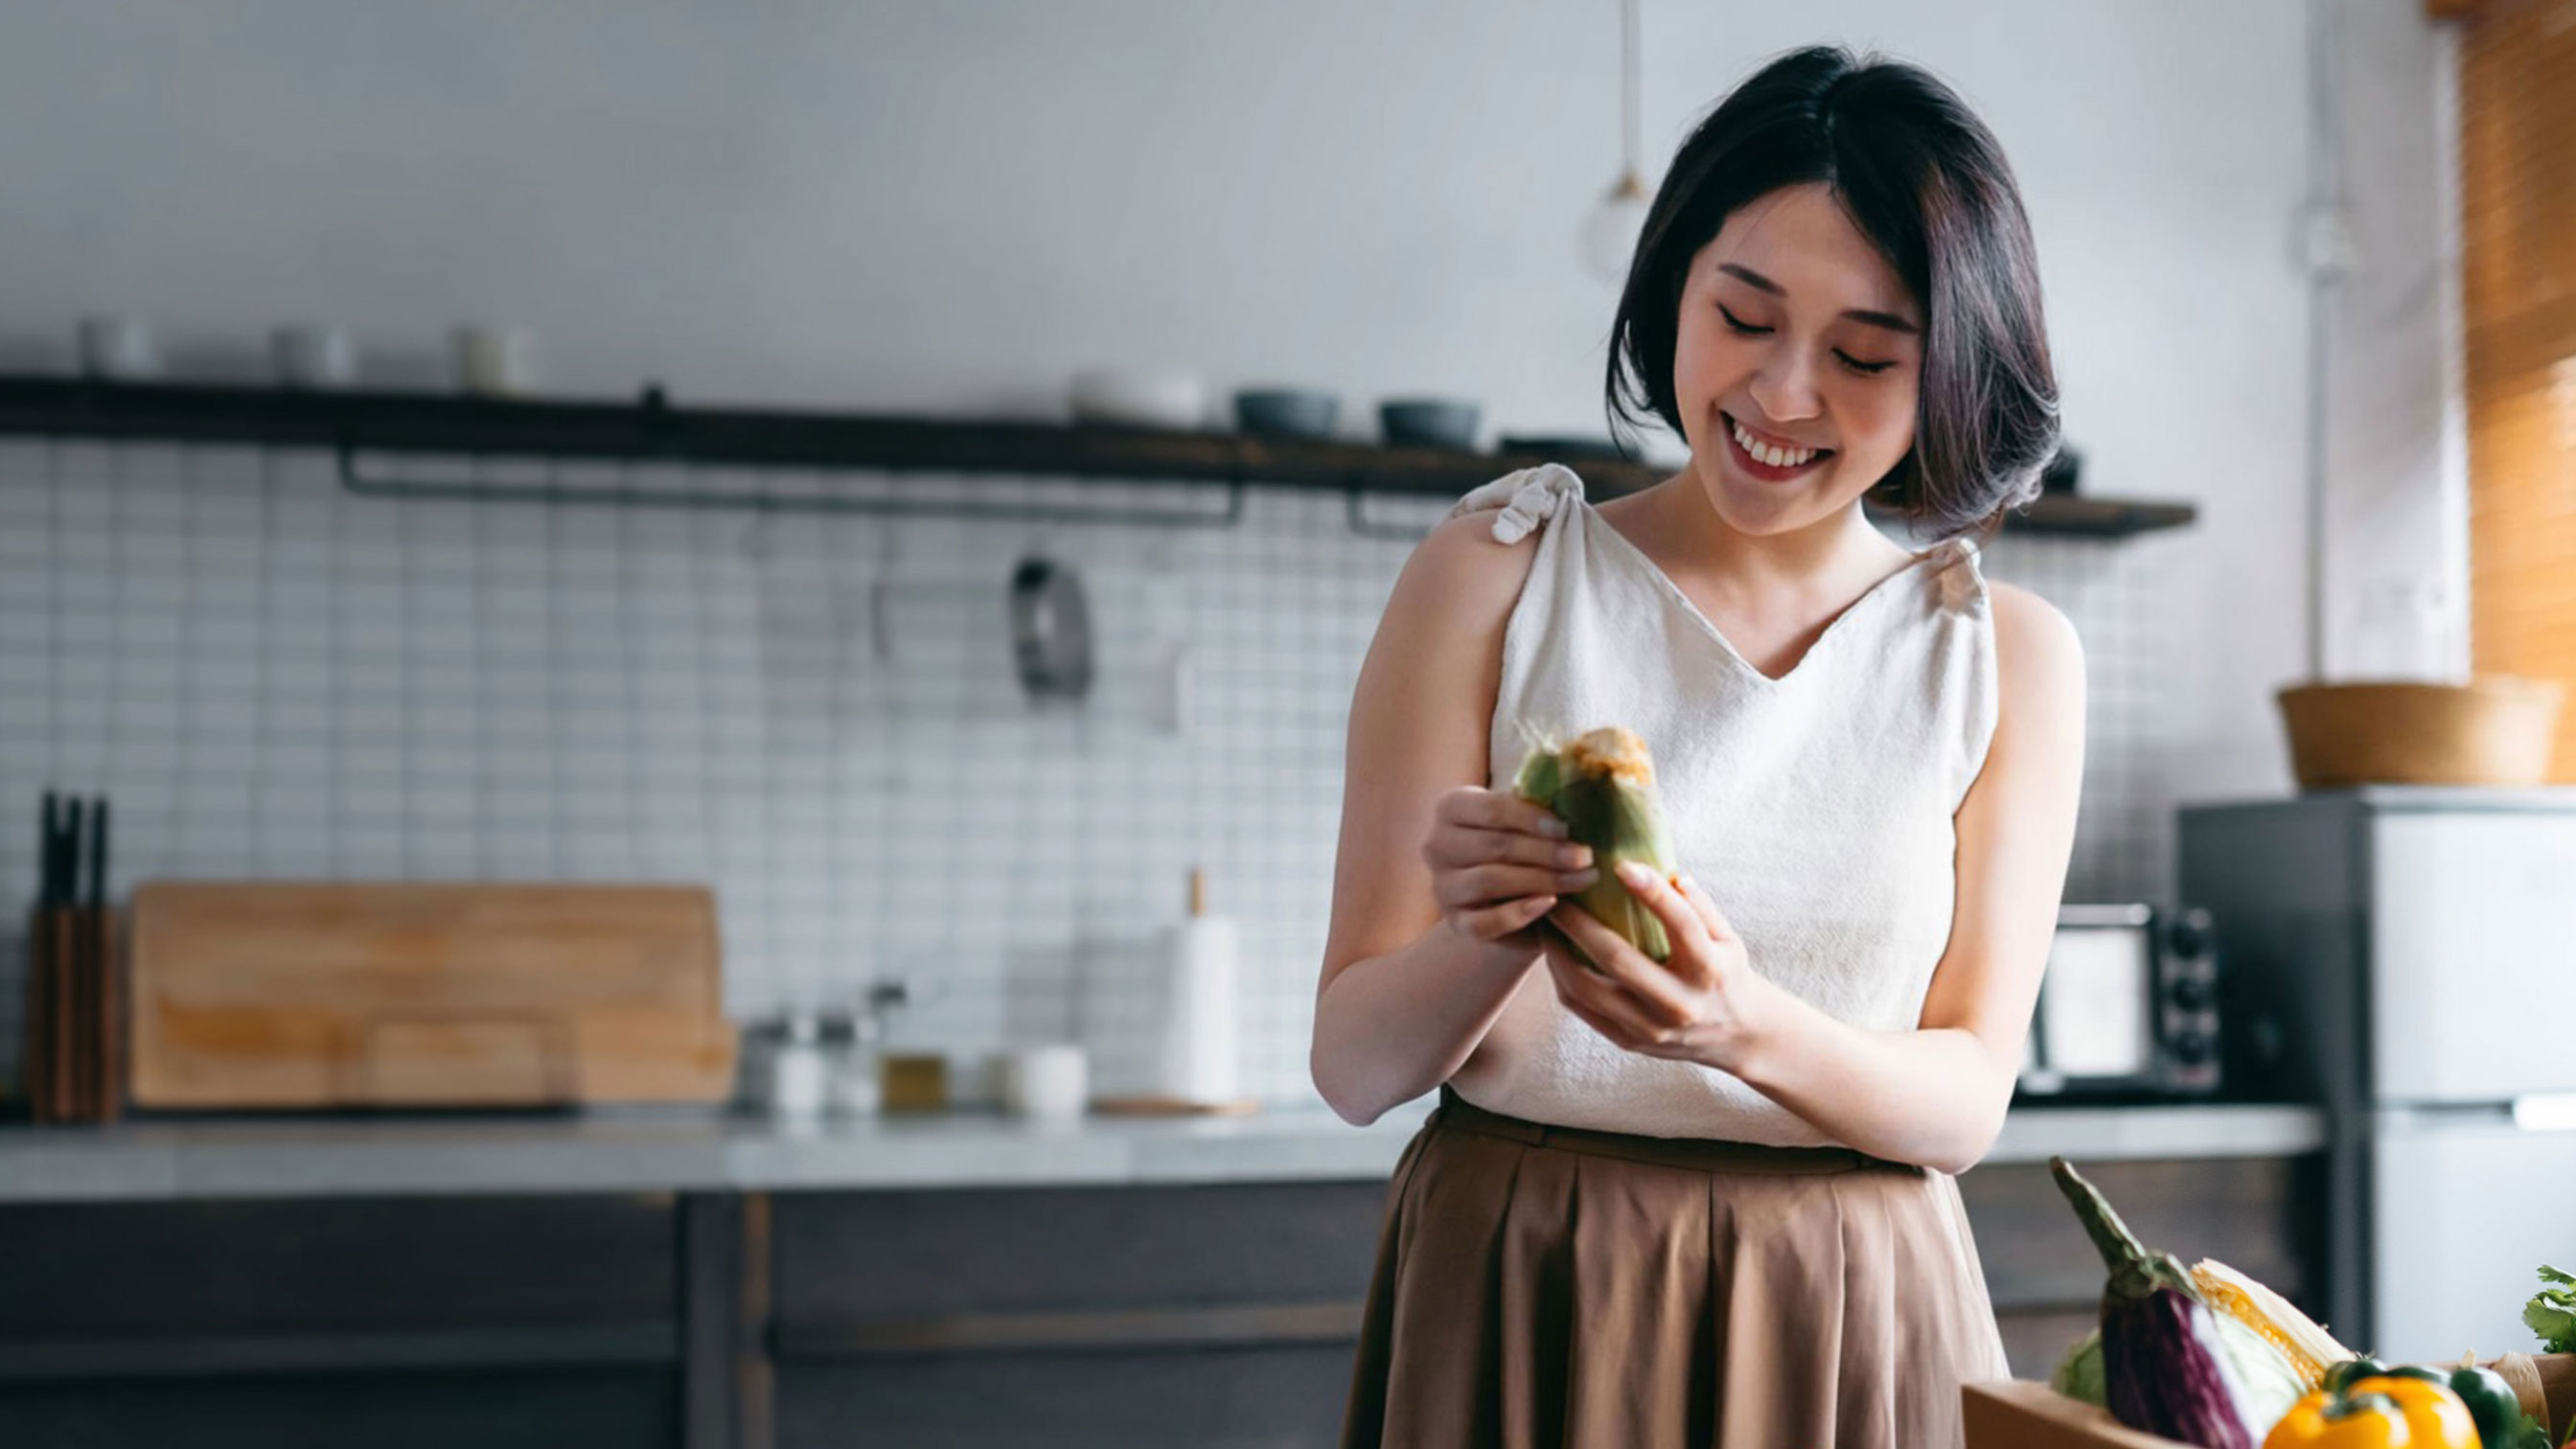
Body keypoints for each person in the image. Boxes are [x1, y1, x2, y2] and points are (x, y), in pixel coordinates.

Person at [1314, 44, 2086, 1449]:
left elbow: (1967, 1096)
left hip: (1855, 1304)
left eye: (1864, 356)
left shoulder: (2000, 654)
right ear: (1674, 282)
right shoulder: (1495, 574)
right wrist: (1497, 927)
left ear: (1948, 379)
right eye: (1743, 316)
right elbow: (1355, 1066)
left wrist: (1742, 1027)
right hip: (1524, 1273)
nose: (1784, 396)